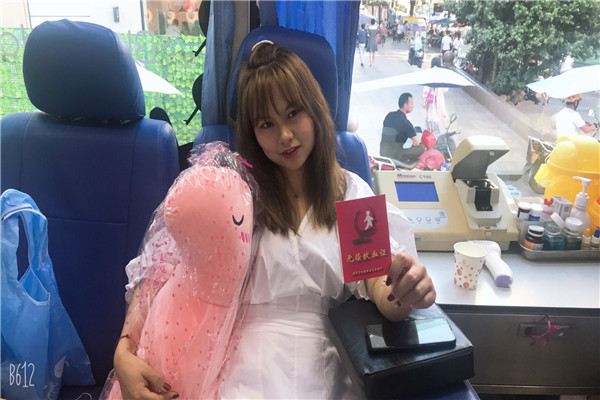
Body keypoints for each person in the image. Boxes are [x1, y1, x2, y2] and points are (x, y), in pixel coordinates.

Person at [111, 42, 436, 400]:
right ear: (252, 132)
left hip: (325, 361)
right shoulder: (231, 190)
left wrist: (406, 293)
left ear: (315, 108)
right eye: (267, 123)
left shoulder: (351, 193)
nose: (284, 135)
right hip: (237, 360)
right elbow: (164, 267)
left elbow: (378, 285)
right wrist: (124, 350)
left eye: (294, 113)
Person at [380, 92, 425, 160]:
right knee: (421, 148)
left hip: (383, 152)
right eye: (411, 103)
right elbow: (416, 143)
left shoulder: (389, 115)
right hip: (396, 155)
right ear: (405, 105)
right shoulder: (406, 123)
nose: (413, 106)